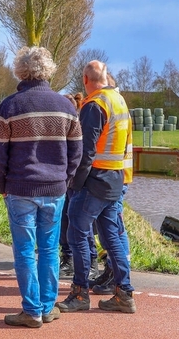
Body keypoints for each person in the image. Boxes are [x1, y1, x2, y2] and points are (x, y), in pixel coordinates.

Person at [0, 46, 82, 327]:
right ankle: (46, 306)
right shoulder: (67, 106)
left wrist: (2, 185)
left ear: (20, 70)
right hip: (54, 189)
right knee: (50, 249)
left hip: (20, 188)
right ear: (49, 70)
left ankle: (31, 311)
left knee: (25, 250)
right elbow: (76, 152)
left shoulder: (9, 106)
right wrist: (64, 180)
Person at [57, 60, 137, 314]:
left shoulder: (94, 104)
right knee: (111, 235)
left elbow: (85, 151)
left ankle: (80, 293)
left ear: (85, 79)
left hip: (95, 180)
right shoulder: (119, 99)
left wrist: (74, 184)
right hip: (115, 178)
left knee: (77, 233)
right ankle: (124, 292)